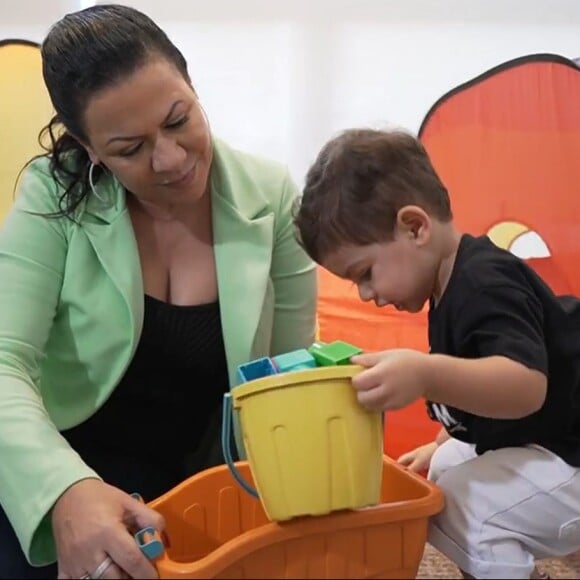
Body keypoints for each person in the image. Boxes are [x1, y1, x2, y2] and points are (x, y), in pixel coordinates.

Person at [0, 4, 317, 579]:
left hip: (198, 488)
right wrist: (66, 491)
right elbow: (3, 359)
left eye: (178, 120)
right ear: (88, 147)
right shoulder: (53, 195)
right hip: (53, 471)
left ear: (193, 86)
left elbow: (288, 379)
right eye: (129, 148)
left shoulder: (271, 197)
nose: (170, 160)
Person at [293, 127, 580, 579]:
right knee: (445, 466)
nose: (366, 294)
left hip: (570, 454)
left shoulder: (485, 282)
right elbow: (479, 387)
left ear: (415, 226)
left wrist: (424, 374)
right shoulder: (447, 287)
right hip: (549, 442)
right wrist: (442, 439)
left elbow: (526, 387)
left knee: (468, 507)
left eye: (365, 274)